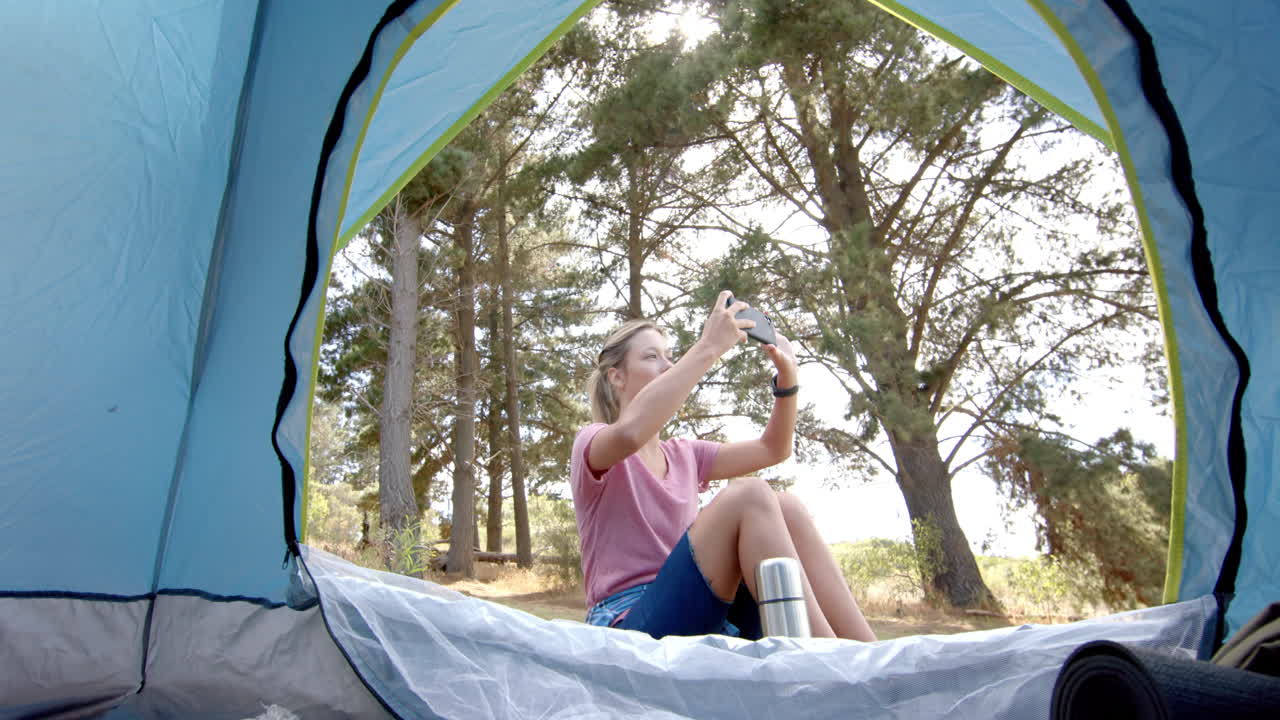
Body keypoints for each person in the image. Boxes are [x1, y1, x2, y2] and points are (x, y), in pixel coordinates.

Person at [570, 291, 877, 641]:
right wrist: (709, 346)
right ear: (616, 378)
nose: (668, 365)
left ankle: (870, 657)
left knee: (786, 507)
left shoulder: (684, 455)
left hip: (701, 610)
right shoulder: (593, 443)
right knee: (748, 495)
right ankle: (831, 661)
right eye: (652, 357)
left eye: (670, 357)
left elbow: (773, 449)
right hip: (627, 625)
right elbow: (629, 434)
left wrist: (787, 380)